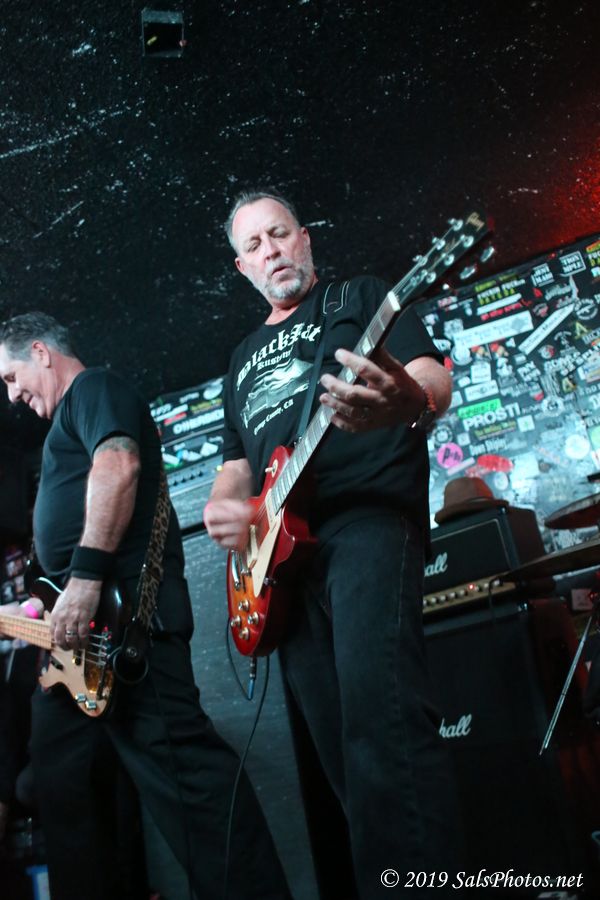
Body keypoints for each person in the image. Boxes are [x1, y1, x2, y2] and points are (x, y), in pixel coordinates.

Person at [203, 189, 462, 898]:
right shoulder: (241, 359)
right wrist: (227, 510)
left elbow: (431, 376)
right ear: (242, 267)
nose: (271, 251)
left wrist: (410, 400)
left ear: (306, 238)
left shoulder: (361, 297)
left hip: (365, 518)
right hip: (281, 567)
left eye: (279, 234)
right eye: (254, 245)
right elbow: (235, 465)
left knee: (383, 717)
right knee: (338, 748)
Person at [0, 312, 291, 900]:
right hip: (80, 652)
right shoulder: (64, 425)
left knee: (190, 787)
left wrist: (84, 579)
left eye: (11, 376)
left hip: (125, 628)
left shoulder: (92, 389)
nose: (12, 395)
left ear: (41, 352)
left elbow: (119, 463)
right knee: (59, 782)